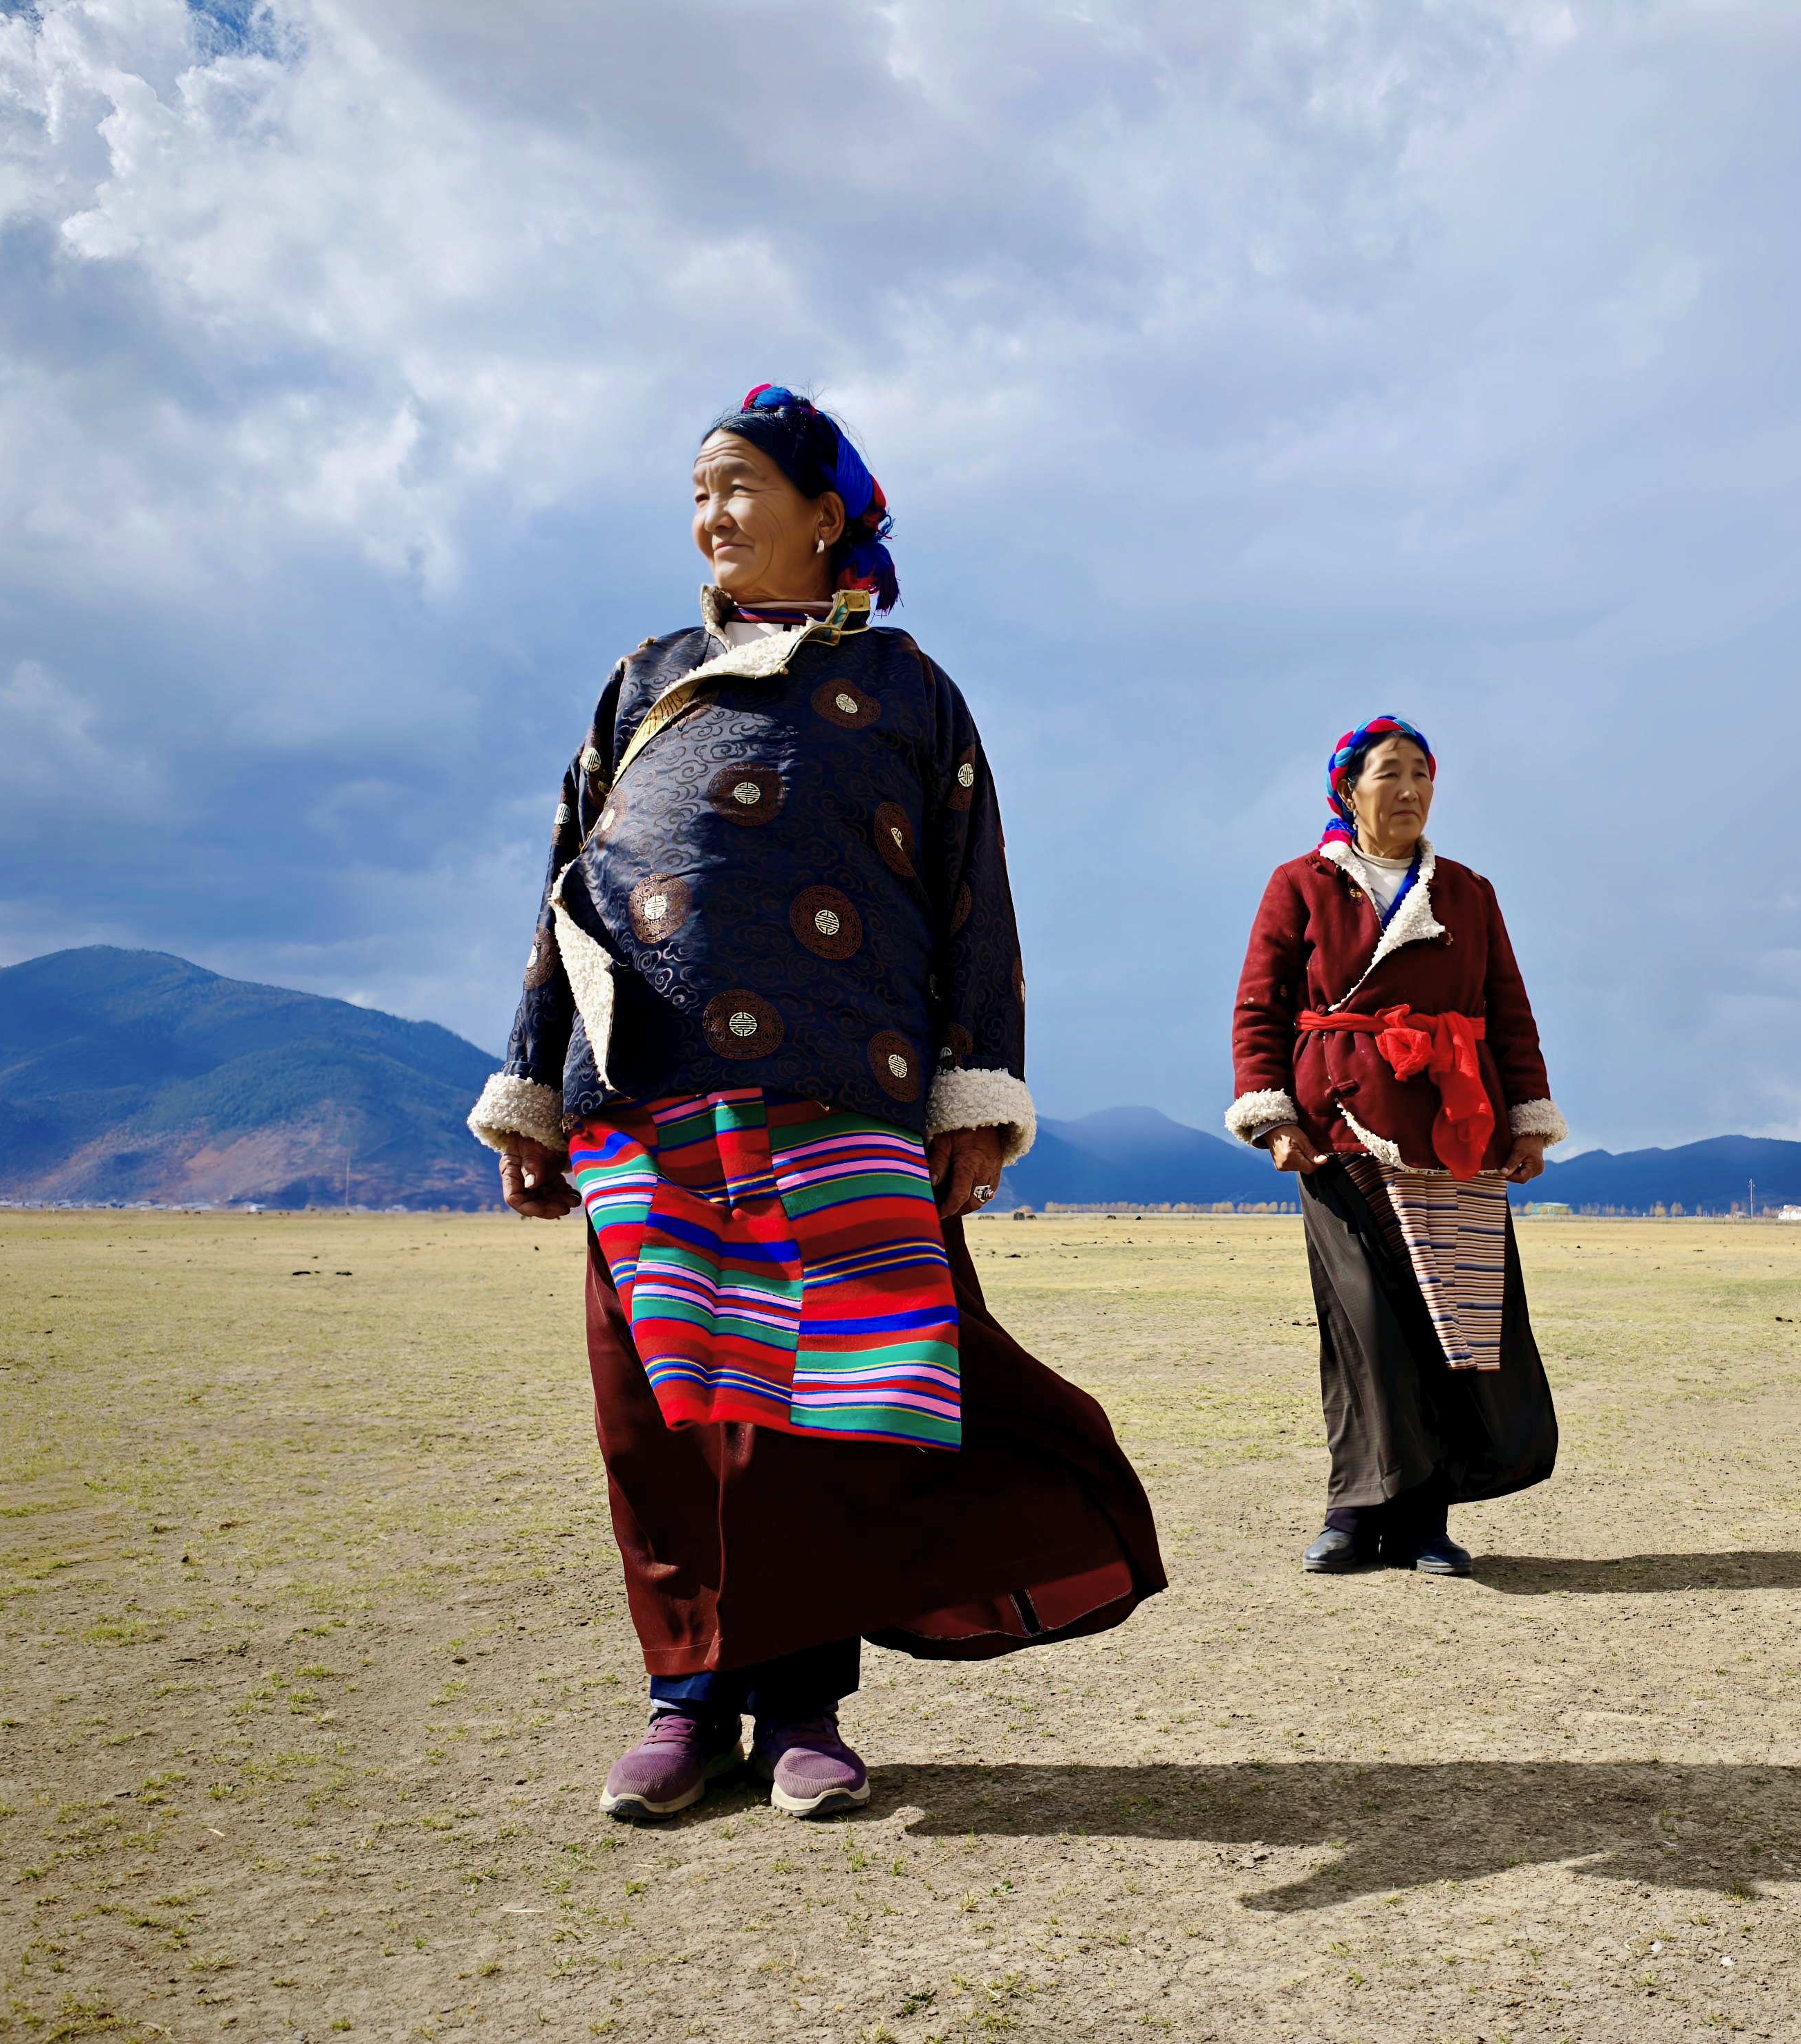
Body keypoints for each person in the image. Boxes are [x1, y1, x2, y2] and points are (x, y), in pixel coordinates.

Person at [468, 384, 1164, 1823]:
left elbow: (972, 893)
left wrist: (973, 1090)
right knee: (658, 1411)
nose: (711, 516)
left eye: (738, 486)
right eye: (697, 493)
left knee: (818, 1403)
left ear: (825, 514)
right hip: (645, 1086)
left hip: (844, 1087)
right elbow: (567, 884)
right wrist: (530, 1089)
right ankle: (681, 1700)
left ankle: (798, 1704)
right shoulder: (641, 675)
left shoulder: (906, 686)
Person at [1227, 716, 1565, 1574]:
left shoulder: (1467, 892)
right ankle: (1352, 1510)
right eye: (1389, 772)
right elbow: (1260, 1006)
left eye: (1421, 771)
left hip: (1457, 1130)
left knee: (1449, 1324)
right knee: (1366, 1328)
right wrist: (1272, 1117)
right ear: (1348, 789)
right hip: (1338, 1130)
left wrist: (1528, 1116)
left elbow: (1508, 1009)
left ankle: (1423, 1520)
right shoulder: (1300, 883)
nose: (1409, 788)